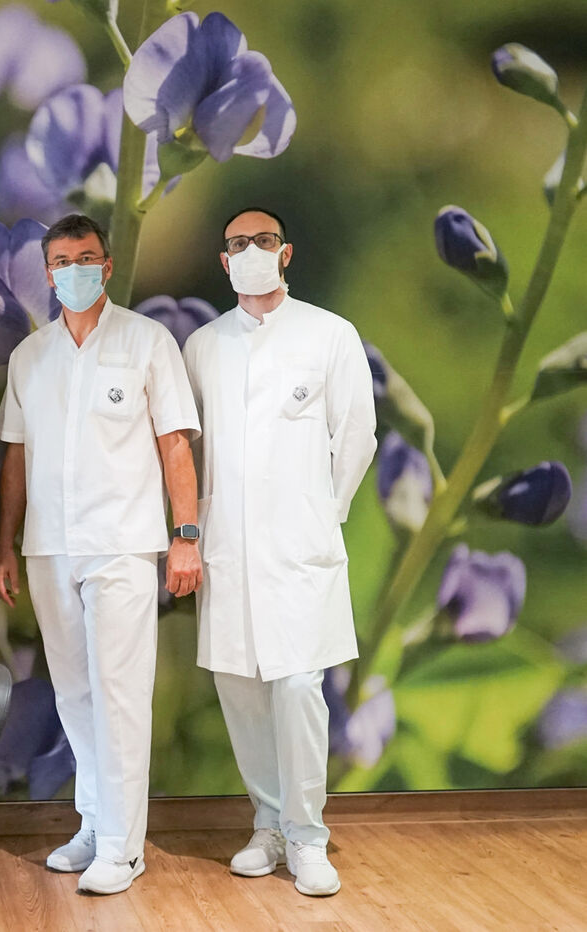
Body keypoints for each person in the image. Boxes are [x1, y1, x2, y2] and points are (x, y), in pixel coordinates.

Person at [0, 213, 202, 896]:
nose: (73, 271)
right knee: (74, 695)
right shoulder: (31, 356)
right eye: (60, 261)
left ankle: (123, 846)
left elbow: (175, 442)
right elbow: (15, 460)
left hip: (122, 547)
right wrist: (4, 544)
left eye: (85, 259)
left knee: (118, 696)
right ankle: (92, 823)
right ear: (47, 274)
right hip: (50, 548)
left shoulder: (146, 340)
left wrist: (186, 534)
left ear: (105, 267)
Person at [183, 207, 376, 897]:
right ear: (223, 260)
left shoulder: (329, 334)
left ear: (285, 253)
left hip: (299, 543)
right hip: (226, 547)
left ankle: (307, 835)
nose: (251, 252)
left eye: (263, 242)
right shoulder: (202, 345)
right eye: (238, 244)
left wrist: (323, 514)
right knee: (239, 688)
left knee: (298, 688)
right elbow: (190, 448)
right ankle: (266, 822)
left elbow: (356, 437)